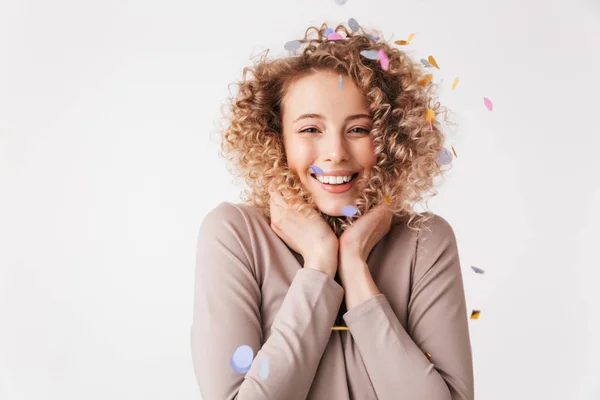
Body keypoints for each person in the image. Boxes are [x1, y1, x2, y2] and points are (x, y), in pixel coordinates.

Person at [190, 21, 474, 400]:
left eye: (358, 129)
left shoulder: (425, 238)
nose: (335, 152)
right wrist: (320, 264)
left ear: (390, 137)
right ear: (277, 139)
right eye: (310, 129)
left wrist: (354, 266)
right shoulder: (235, 235)